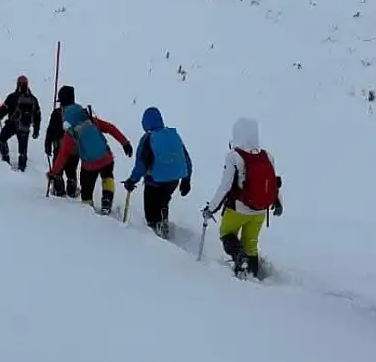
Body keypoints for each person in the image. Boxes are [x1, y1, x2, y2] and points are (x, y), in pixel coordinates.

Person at [201, 117, 283, 278]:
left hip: (238, 209)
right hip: (260, 210)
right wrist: (278, 202)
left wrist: (211, 209)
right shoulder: (267, 156)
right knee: (251, 242)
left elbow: (225, 186)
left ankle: (239, 258)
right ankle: (253, 275)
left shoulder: (234, 156)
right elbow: (274, 182)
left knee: (226, 233)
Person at [47, 104, 132, 215]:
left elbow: (62, 156)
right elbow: (111, 128)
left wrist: (53, 173)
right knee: (107, 177)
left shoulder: (71, 134)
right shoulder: (92, 121)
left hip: (89, 165)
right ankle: (107, 201)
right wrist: (125, 143)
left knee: (86, 189)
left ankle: (88, 210)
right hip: (106, 158)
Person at [123, 107, 193, 238]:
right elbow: (185, 157)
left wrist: (132, 180)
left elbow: (141, 164)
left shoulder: (147, 139)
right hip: (174, 178)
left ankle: (155, 229)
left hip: (155, 180)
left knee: (150, 207)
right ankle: (163, 221)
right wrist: (187, 179)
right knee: (163, 199)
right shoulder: (173, 135)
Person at [0, 75, 41, 171]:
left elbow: (4, 109)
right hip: (24, 126)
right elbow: (37, 115)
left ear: (17, 84)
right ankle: (22, 168)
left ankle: (5, 159)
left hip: (11, 124)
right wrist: (36, 129)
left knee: (2, 138)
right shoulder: (33, 99)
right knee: (23, 149)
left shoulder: (12, 96)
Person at [44, 85, 79, 197]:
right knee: (72, 169)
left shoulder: (57, 113)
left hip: (59, 146)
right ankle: (72, 191)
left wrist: (47, 144)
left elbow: (50, 130)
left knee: (58, 168)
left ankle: (58, 189)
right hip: (75, 148)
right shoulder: (79, 112)